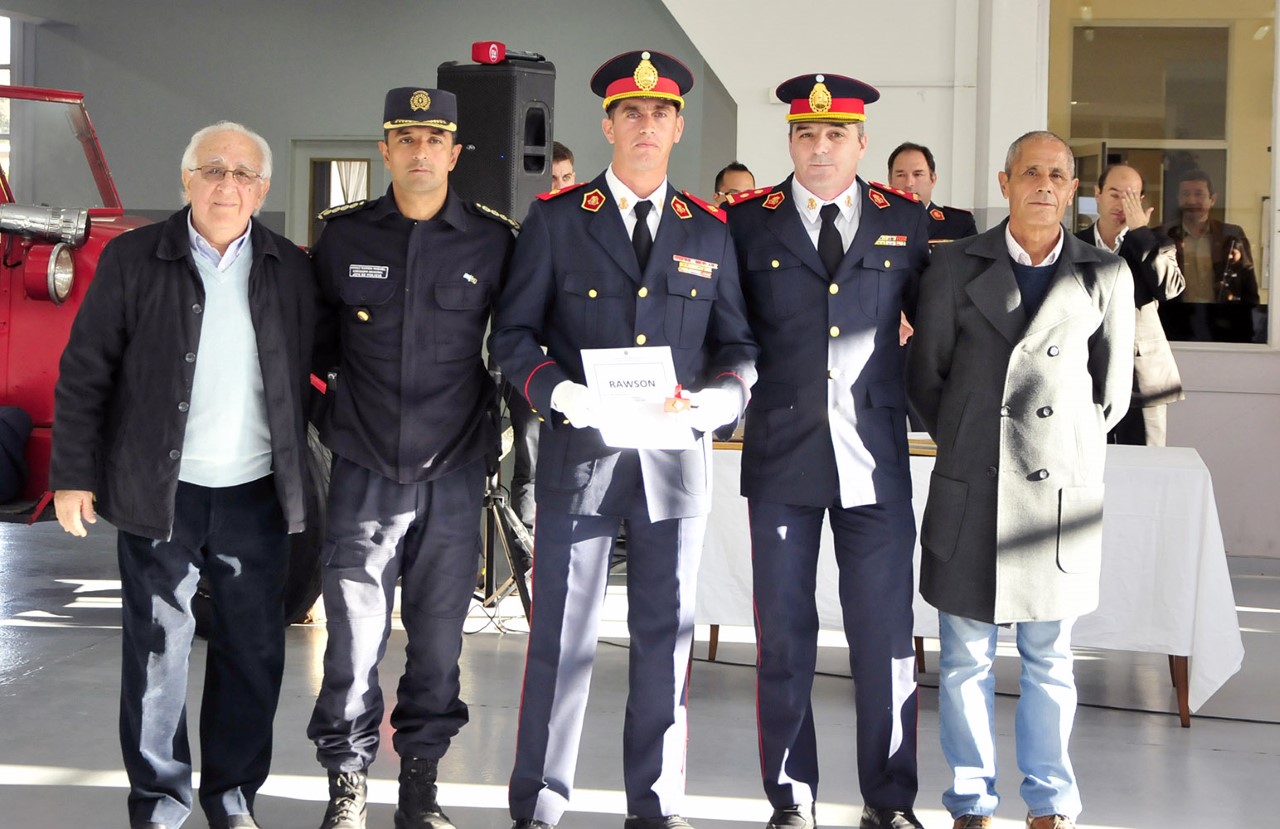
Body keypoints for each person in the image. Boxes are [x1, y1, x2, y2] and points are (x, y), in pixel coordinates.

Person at [489, 49, 757, 829]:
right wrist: (560, 393)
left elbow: (739, 344)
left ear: (678, 128)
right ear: (608, 123)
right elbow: (513, 335)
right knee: (560, 646)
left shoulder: (707, 231)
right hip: (581, 465)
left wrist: (717, 403)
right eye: (630, 112)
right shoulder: (559, 220)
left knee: (664, 645)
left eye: (661, 113)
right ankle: (538, 805)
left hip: (675, 470)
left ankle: (656, 807)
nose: (646, 125)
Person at [50, 121, 316, 829]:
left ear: (262, 190)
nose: (227, 184)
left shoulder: (291, 267)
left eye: (242, 174)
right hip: (157, 495)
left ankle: (232, 801)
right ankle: (160, 806)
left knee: (253, 655)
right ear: (186, 179)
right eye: (212, 170)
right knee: (157, 658)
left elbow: (325, 372)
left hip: (257, 496)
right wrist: (73, 473)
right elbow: (85, 372)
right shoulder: (135, 258)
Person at [907, 131, 1135, 829]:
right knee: (967, 659)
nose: (1044, 183)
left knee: (1048, 659)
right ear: (1004, 182)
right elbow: (926, 380)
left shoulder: (1106, 275)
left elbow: (1111, 393)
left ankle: (1049, 802)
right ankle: (971, 801)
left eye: (1058, 174)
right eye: (1030, 171)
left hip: (1055, 496)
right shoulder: (951, 269)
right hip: (971, 484)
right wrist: (978, 440)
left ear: (1073, 190)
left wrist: (1055, 445)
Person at [306, 87, 517, 829]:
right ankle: (348, 781)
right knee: (353, 643)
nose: (421, 152)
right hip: (365, 469)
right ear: (385, 149)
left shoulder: (495, 242)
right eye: (407, 138)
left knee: (437, 642)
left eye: (436, 139)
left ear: (456, 152)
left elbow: (514, 348)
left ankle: (419, 782)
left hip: (456, 472)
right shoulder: (342, 238)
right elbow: (313, 351)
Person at [724, 73, 929, 829]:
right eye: (806, 134)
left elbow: (933, 333)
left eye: (835, 134)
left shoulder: (904, 221)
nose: (820, 147)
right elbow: (727, 330)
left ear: (861, 143)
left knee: (884, 638)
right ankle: (791, 797)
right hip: (780, 454)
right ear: (789, 141)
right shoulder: (749, 223)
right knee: (781, 637)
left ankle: (890, 799)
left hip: (874, 458)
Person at [1076, 163, 1184, 446]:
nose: (1121, 204)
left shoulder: (1155, 242)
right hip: (1082, 375)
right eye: (1114, 194)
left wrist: (1140, 233)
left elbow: (1170, 289)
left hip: (1142, 378)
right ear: (1097, 194)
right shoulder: (1074, 245)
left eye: (1131, 196)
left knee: (1146, 471)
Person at [1160, 168, 1259, 342]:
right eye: (1185, 194)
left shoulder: (1232, 235)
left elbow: (1248, 287)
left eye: (1198, 194)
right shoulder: (1163, 235)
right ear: (1178, 199)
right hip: (1173, 328)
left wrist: (1250, 333)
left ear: (1213, 199)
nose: (1191, 200)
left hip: (1225, 328)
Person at [888, 142, 977, 244]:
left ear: (933, 180)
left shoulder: (959, 224)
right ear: (890, 180)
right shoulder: (873, 222)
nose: (909, 183)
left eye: (918, 174)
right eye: (901, 175)